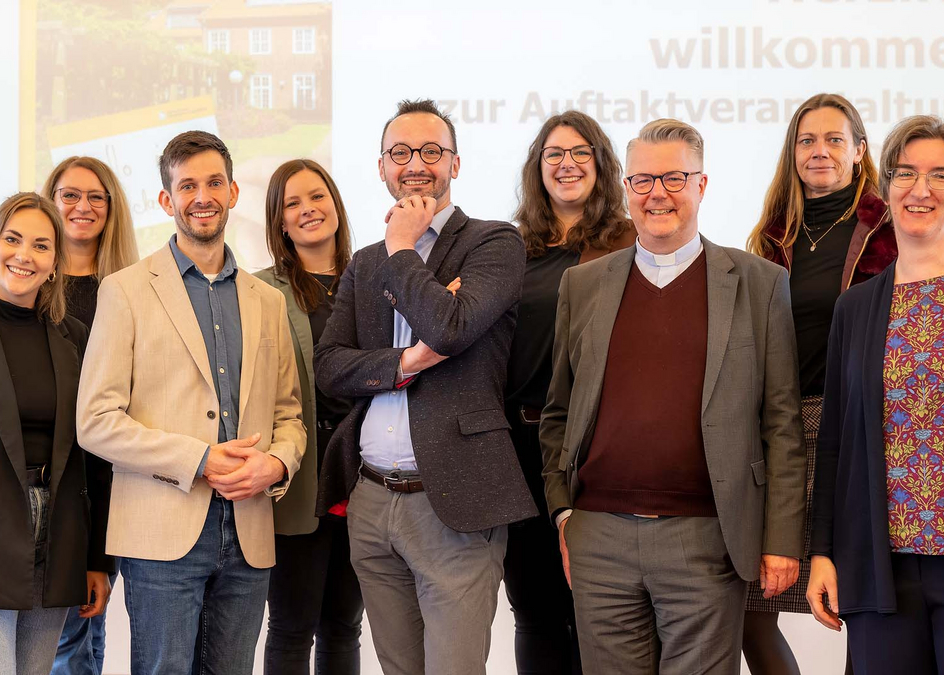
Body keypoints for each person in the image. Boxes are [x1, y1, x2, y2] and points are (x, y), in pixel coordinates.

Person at [540, 118, 807, 674]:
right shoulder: (582, 286)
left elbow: (781, 422)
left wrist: (782, 538)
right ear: (626, 189)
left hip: (707, 537)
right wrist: (566, 514)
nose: (656, 194)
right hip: (600, 537)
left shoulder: (759, 284)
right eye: (642, 181)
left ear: (702, 186)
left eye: (673, 178)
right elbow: (559, 412)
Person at [314, 98, 536, 675]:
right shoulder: (364, 263)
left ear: (455, 164)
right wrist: (408, 360)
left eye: (431, 151)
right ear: (382, 166)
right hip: (370, 500)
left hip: (455, 501)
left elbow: (452, 327)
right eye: (401, 152)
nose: (416, 163)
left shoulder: (494, 243)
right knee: (397, 667)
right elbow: (331, 365)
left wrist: (403, 249)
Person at [75, 130, 306, 675]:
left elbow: (289, 416)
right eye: (187, 186)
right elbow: (96, 421)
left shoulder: (268, 301)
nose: (201, 196)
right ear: (166, 200)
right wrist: (198, 459)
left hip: (248, 533)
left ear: (232, 193)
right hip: (160, 534)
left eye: (213, 183)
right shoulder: (125, 290)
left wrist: (276, 463)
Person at [743, 93, 895, 675]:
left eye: (835, 140)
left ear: (859, 152)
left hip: (859, 430)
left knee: (865, 596)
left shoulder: (887, 228)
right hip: (780, 432)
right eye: (808, 140)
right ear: (792, 152)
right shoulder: (771, 235)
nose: (820, 151)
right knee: (753, 604)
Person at [808, 114, 944, 673]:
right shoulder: (856, 307)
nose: (921, 189)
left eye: (940, 174)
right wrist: (822, 551)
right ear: (885, 188)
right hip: (877, 565)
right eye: (906, 173)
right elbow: (835, 441)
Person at [505, 110, 634, 675]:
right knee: (533, 609)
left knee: (596, 605)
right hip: (515, 445)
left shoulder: (629, 241)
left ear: (601, 165)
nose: (567, 163)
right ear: (538, 169)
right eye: (554, 154)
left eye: (581, 152)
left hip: (594, 443)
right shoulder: (511, 248)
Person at [256, 159, 363, 674]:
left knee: (344, 625)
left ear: (336, 204)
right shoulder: (259, 291)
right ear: (279, 221)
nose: (307, 211)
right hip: (297, 477)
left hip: (365, 476)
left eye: (316, 197)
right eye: (292, 203)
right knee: (293, 627)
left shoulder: (374, 277)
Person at [0, 192, 112, 674]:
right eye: (12, 239)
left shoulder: (75, 335)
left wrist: (97, 560)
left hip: (58, 532)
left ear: (55, 262)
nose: (24, 255)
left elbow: (93, 456)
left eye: (41, 246)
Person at [43, 155, 139, 675]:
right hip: (37, 493)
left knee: (77, 640)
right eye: (69, 195)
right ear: (50, 203)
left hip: (102, 489)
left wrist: (99, 553)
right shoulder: (26, 293)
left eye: (95, 196)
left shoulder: (128, 293)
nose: (82, 206)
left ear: (112, 208)